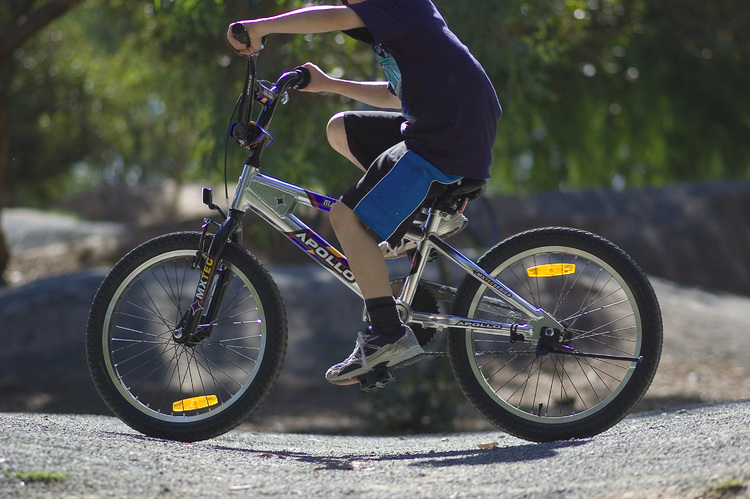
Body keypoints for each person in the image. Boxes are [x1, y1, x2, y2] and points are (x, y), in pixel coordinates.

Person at [227, 0, 501, 386]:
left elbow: (333, 17)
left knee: (345, 217)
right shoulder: (394, 25)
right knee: (340, 128)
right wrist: (328, 84)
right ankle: (414, 216)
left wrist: (261, 26)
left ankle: (388, 334)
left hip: (446, 136)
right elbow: (398, 95)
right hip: (446, 126)